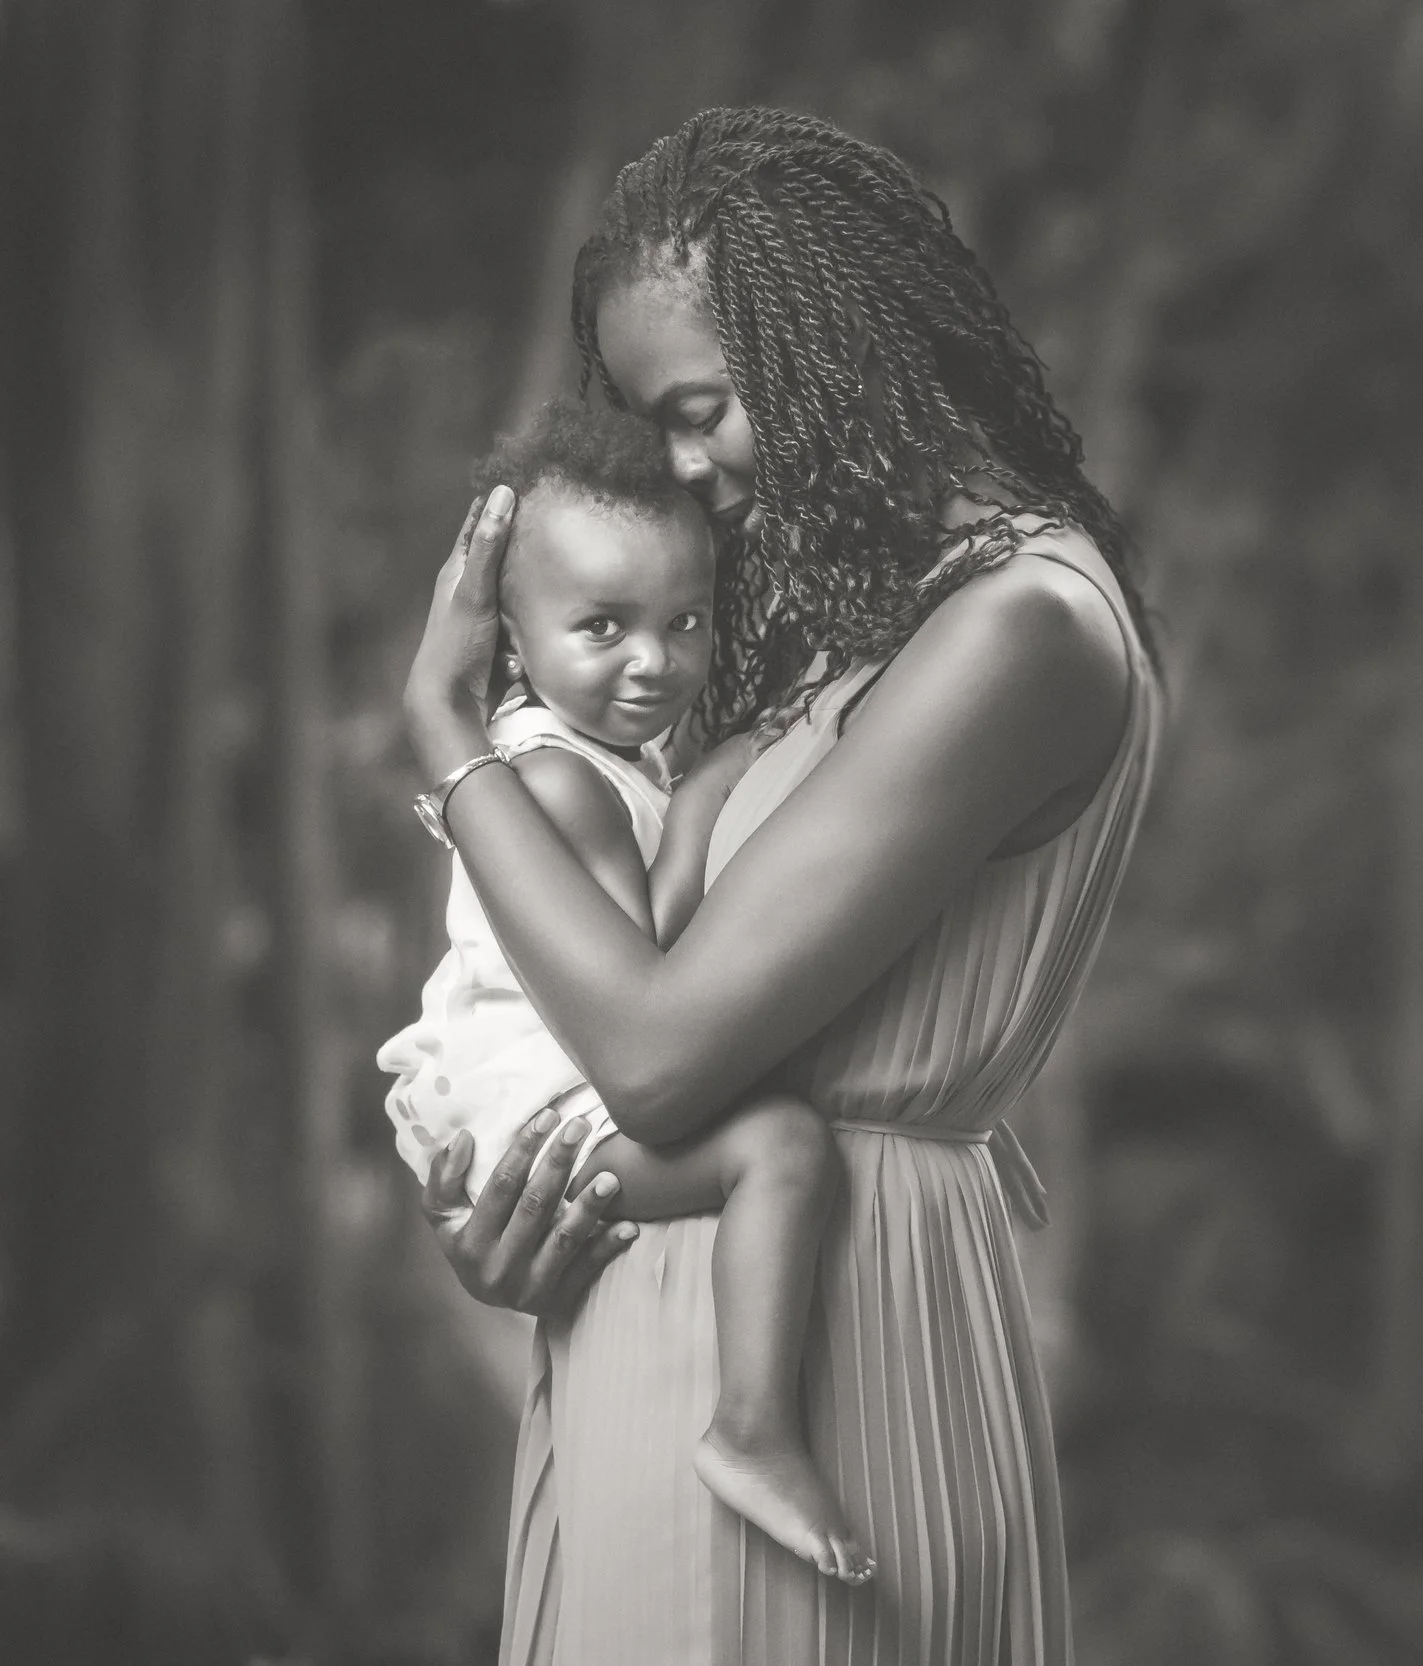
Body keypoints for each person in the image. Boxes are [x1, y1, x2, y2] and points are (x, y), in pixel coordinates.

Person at [401, 107, 1159, 1665]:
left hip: (827, 1347)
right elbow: (611, 1013)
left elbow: (666, 1044)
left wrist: (442, 739)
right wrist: (525, 1196)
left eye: (705, 407)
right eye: (645, 423)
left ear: (839, 346)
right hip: (664, 1309)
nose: (680, 469)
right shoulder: (836, 636)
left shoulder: (1020, 629)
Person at [379, 398, 872, 1585]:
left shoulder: (583, 755)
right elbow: (645, 977)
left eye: (683, 622)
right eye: (603, 626)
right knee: (782, 1150)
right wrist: (708, 797)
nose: (654, 660)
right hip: (546, 1112)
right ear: (510, 634)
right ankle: (752, 1427)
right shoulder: (560, 781)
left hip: (551, 1089)